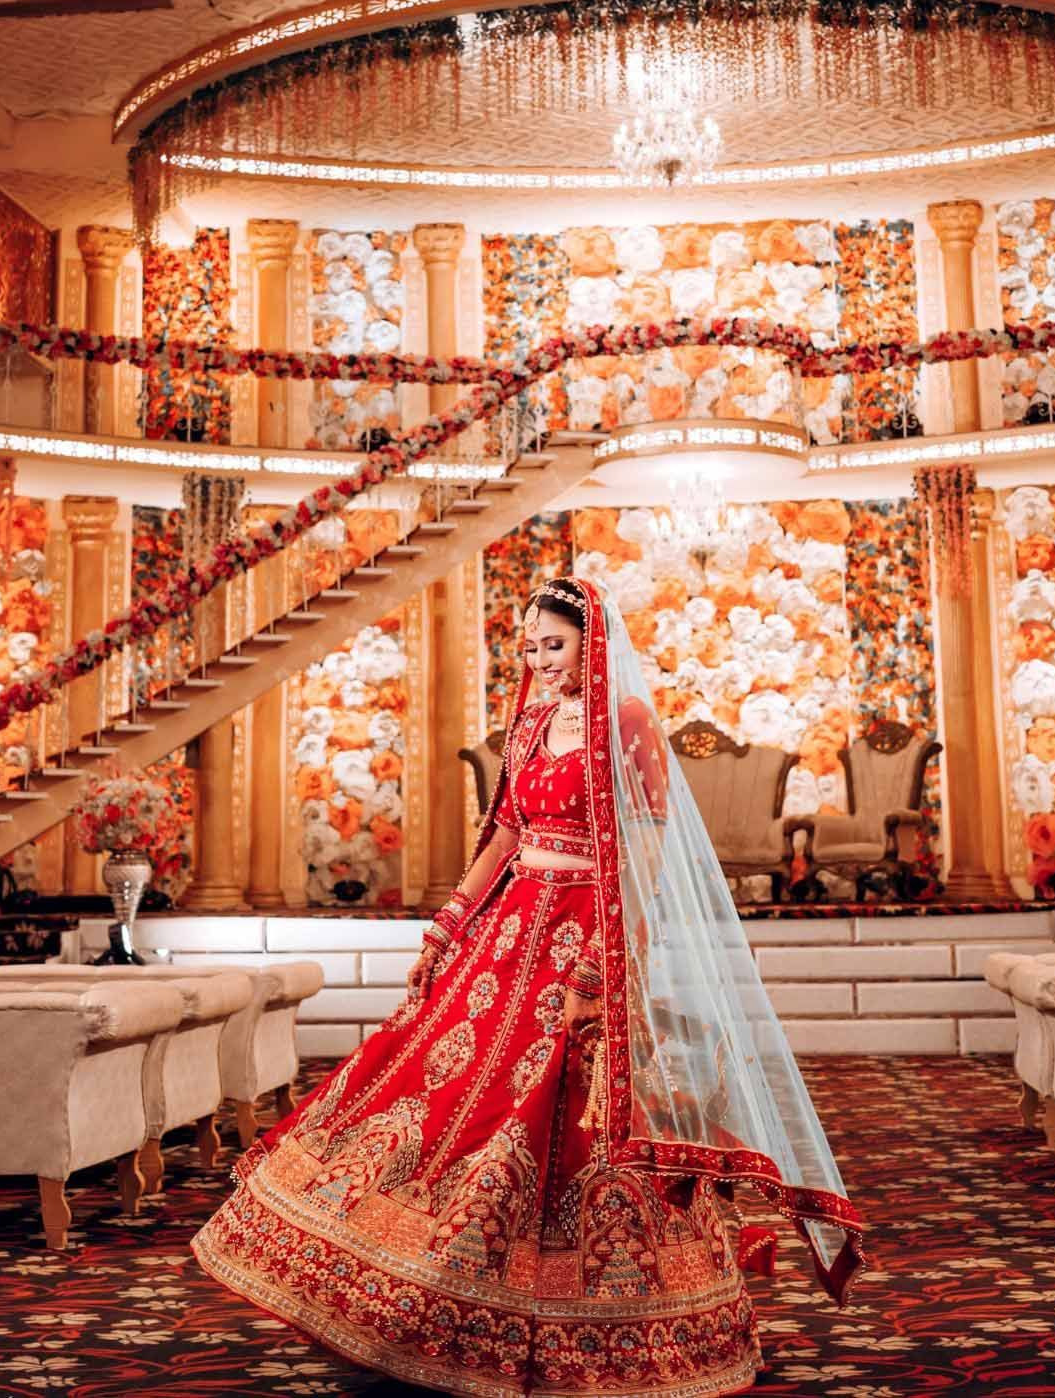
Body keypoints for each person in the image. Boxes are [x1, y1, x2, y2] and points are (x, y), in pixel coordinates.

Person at [192, 574, 863, 1395]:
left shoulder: (630, 725)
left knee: (583, 1111)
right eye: (531, 649)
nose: (541, 662)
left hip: (590, 928)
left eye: (556, 645)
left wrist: (600, 964)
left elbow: (645, 860)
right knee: (445, 1095)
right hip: (511, 926)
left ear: (594, 643)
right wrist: (450, 920)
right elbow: (509, 829)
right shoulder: (533, 722)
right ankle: (439, 1306)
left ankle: (614, 1323)